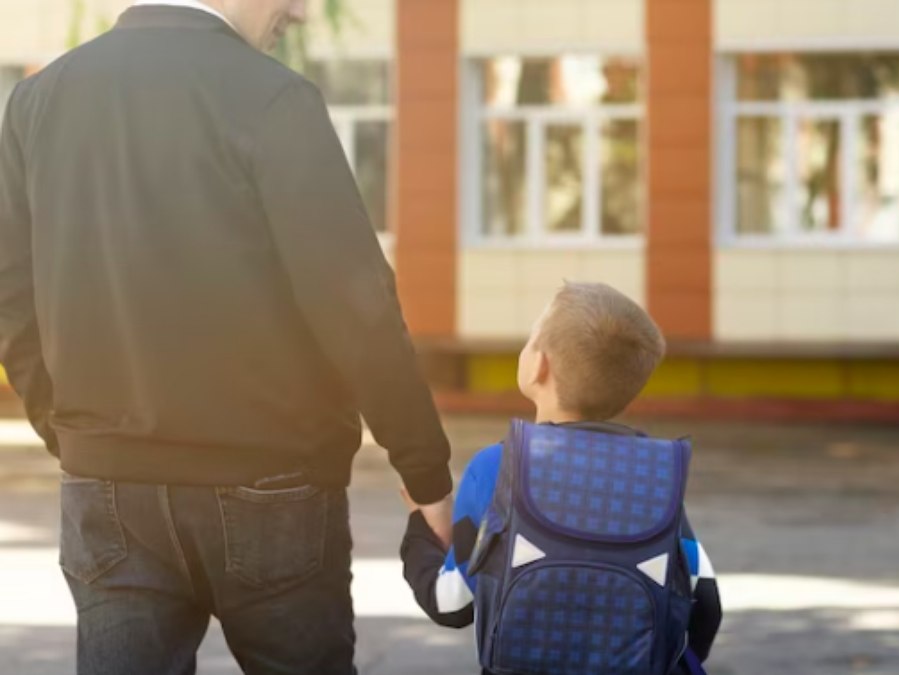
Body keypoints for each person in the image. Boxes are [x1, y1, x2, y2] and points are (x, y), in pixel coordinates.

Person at [0, 1, 454, 673]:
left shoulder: (37, 100)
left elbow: (13, 295)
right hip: (275, 484)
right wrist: (425, 471)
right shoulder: (272, 98)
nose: (300, 12)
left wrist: (78, 438)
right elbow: (355, 305)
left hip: (107, 482)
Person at [401, 282, 722, 675]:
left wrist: (419, 529)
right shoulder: (650, 478)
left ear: (539, 365)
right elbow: (704, 600)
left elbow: (451, 603)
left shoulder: (497, 467)